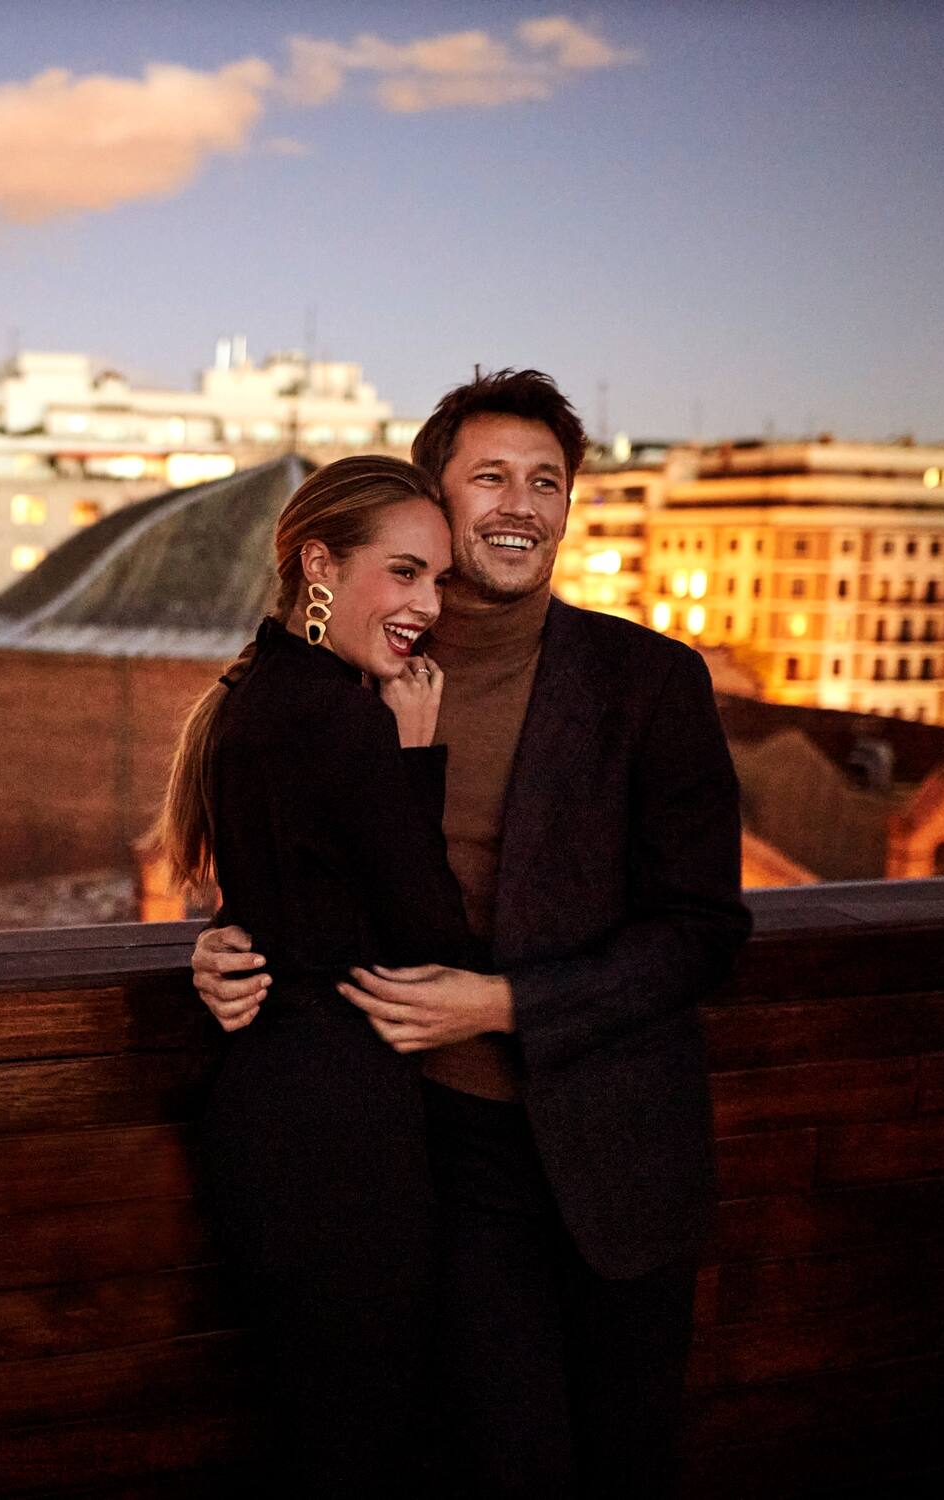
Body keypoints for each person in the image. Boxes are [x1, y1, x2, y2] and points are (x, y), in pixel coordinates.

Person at [193, 370, 751, 1497]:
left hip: (616, 1152)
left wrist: (507, 1003)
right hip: (437, 1148)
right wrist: (221, 945)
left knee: (625, 1459)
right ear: (432, 499)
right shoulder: (358, 679)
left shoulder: (648, 681)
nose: (520, 504)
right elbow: (298, 873)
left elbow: (702, 932)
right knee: (499, 1463)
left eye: (545, 481)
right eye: (489, 476)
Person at [152, 455, 471, 1493]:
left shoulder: (253, 693)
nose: (426, 604)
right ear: (318, 564)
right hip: (336, 1128)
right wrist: (415, 757)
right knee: (361, 1431)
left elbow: (288, 899)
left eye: (437, 582)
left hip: (270, 1108)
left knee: (313, 1418)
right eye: (406, 573)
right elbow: (430, 938)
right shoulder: (343, 718)